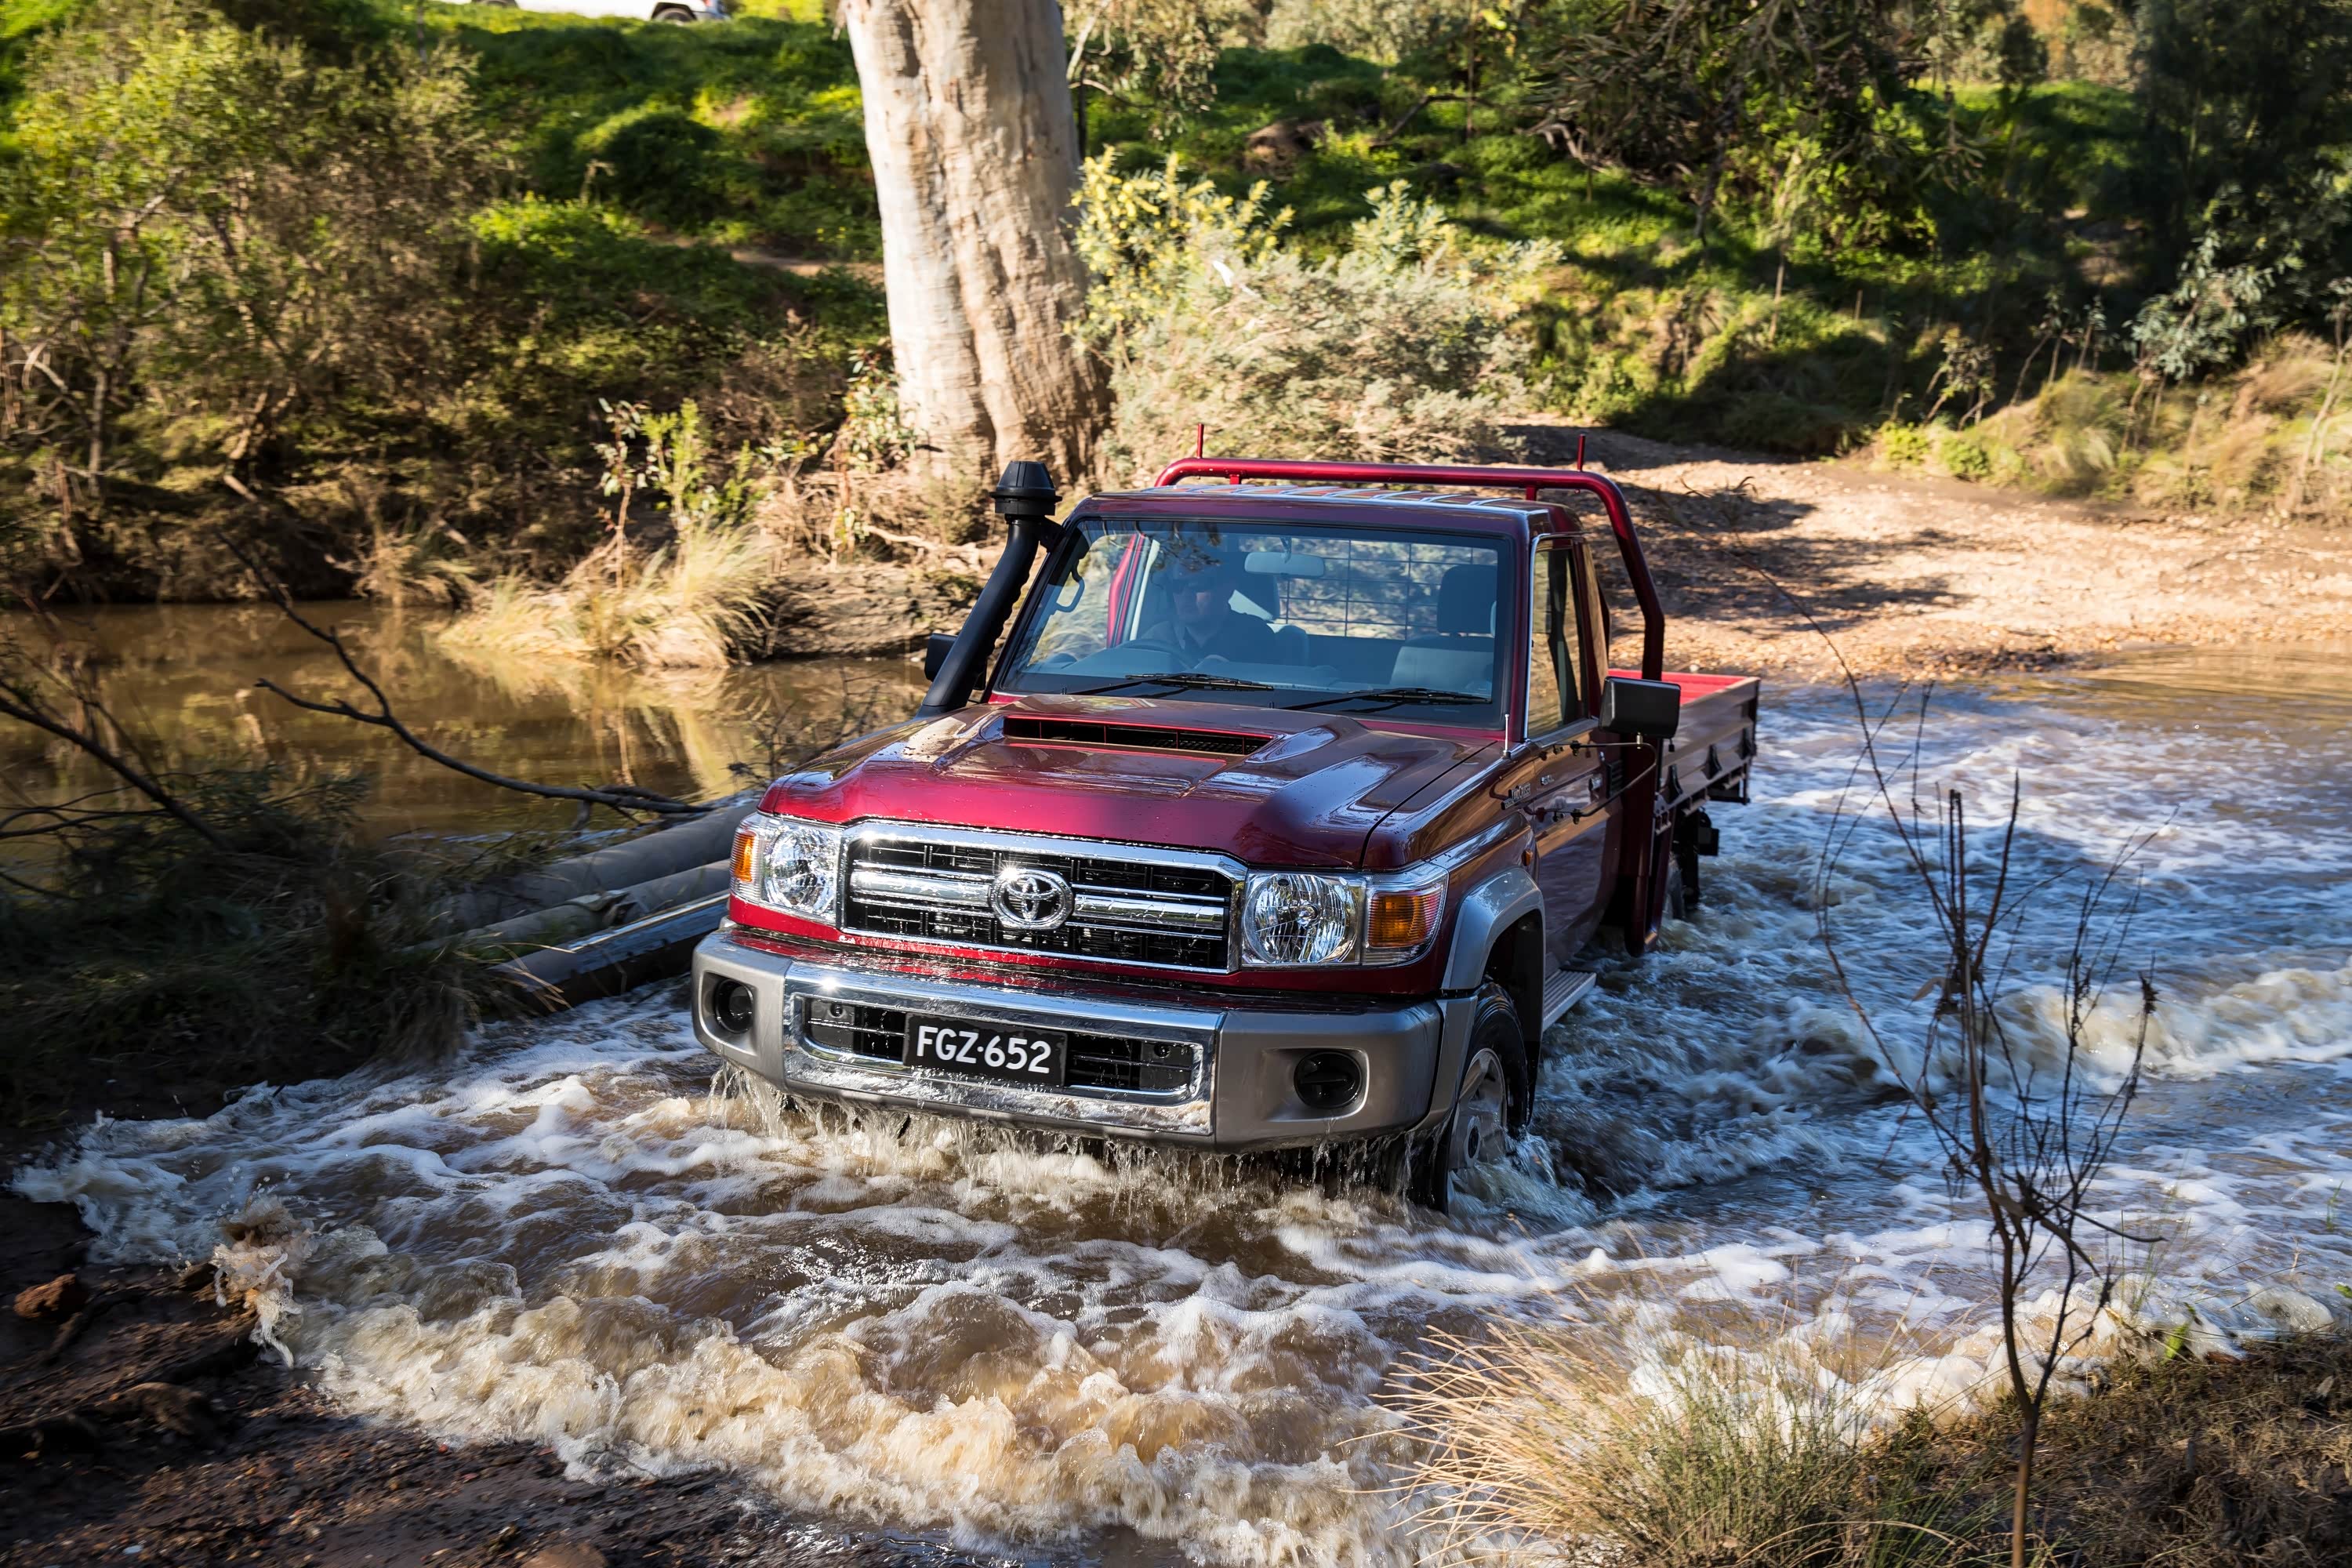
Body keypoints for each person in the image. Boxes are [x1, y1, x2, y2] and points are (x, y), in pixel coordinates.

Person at [1144, 556, 1279, 667]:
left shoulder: (1255, 635)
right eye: (1178, 586)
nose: (1186, 594)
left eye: (1197, 584)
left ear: (1227, 590)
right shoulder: (1159, 637)